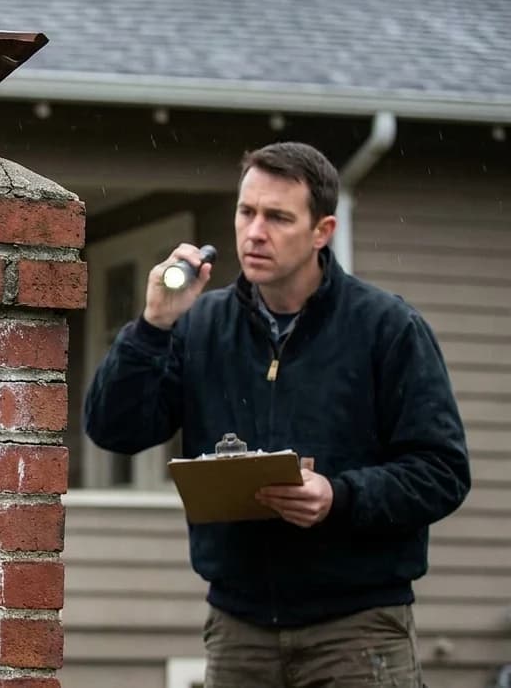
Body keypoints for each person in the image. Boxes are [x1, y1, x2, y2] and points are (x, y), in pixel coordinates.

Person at [83, 141, 471, 687]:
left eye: (278, 217)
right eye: (246, 212)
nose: (255, 232)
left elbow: (442, 472)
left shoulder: (386, 327)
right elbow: (114, 430)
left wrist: (339, 496)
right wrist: (152, 326)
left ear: (322, 231)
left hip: (358, 628)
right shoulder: (201, 324)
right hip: (238, 626)